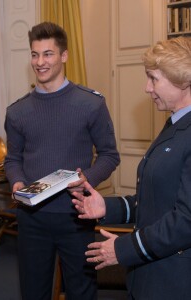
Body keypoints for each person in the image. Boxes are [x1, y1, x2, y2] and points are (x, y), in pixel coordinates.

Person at [4, 21, 120, 300]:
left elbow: (109, 155)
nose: (40, 62)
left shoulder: (91, 104)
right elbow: (13, 158)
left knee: (81, 290)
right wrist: (17, 181)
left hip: (75, 215)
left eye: (48, 54)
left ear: (64, 55)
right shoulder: (17, 111)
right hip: (31, 218)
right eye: (34, 54)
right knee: (33, 291)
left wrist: (87, 179)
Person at [72, 36, 191, 300]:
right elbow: (155, 199)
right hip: (151, 276)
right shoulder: (175, 124)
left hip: (176, 282)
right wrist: (108, 207)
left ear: (181, 80)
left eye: (153, 78)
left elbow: (185, 221)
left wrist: (124, 249)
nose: (147, 88)